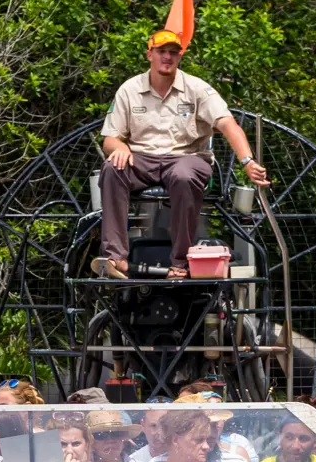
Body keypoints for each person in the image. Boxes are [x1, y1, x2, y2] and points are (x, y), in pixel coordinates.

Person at [92, 28, 270, 280]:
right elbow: (110, 138)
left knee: (184, 175)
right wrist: (119, 148)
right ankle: (116, 258)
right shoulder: (129, 89)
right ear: (149, 55)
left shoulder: (197, 88)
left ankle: (180, 263)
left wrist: (247, 161)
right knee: (112, 168)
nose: (168, 57)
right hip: (142, 159)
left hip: (187, 158)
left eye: (173, 52)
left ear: (180, 57)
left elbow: (228, 124)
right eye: (162, 51)